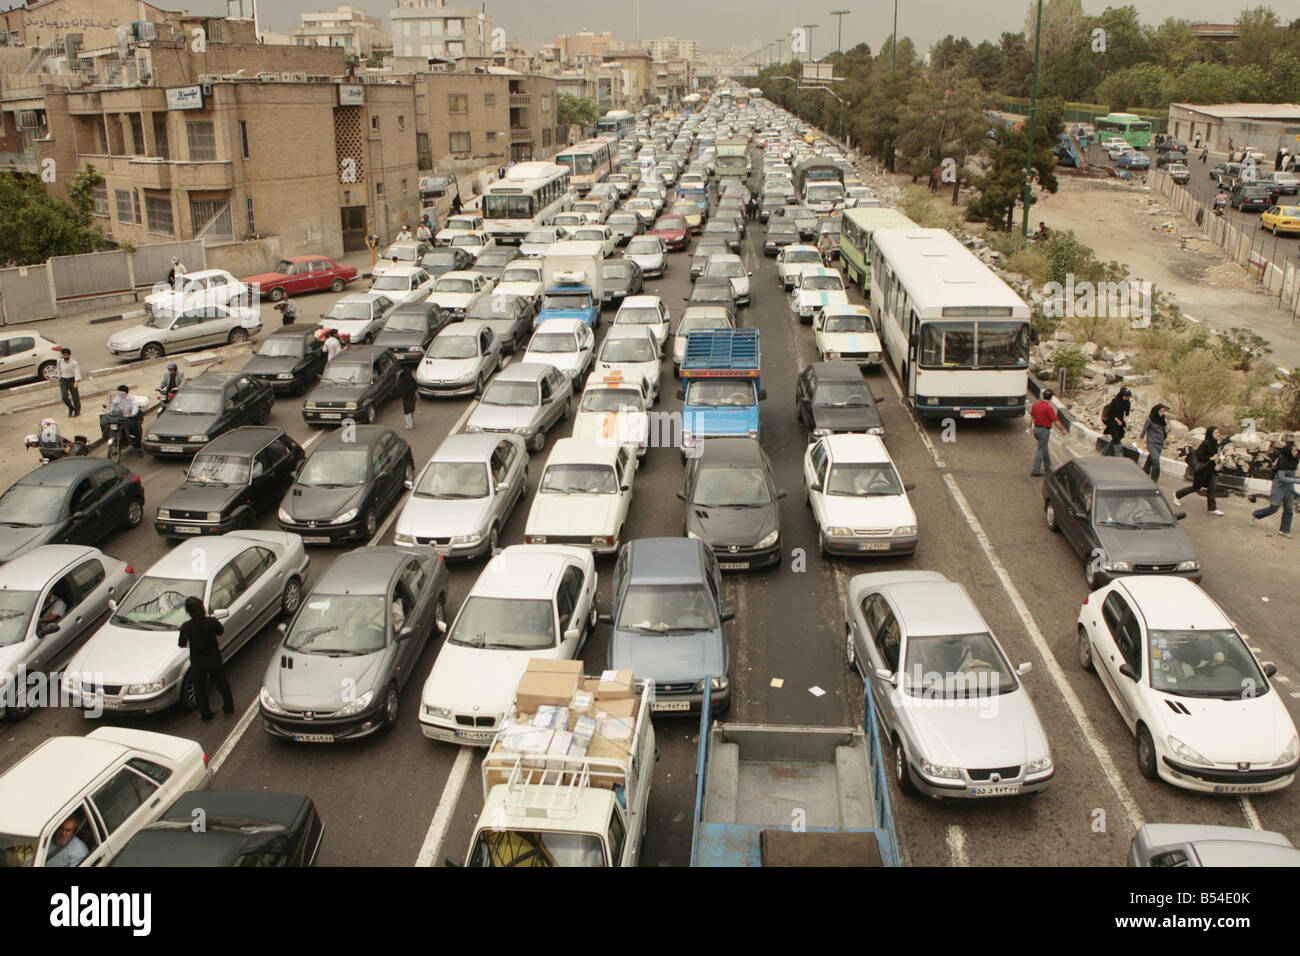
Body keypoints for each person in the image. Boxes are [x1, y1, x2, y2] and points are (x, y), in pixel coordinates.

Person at [178, 595, 232, 720]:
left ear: (188, 612)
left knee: (200, 688)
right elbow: (221, 631)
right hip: (213, 658)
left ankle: (205, 713)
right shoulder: (211, 622)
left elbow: (181, 644)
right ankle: (228, 707)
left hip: (197, 662)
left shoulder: (186, 626)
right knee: (222, 683)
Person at [1251, 438, 1298, 538]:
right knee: (1274, 508)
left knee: (1289, 509)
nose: (1296, 452)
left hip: (1289, 488)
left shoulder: (1294, 460)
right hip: (1279, 487)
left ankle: (1284, 530)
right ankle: (1256, 514)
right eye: (1294, 450)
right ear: (1288, 452)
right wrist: (1297, 481)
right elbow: (1281, 478)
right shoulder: (1282, 462)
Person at [1175, 426, 1225, 515]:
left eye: (1218, 432)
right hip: (1202, 470)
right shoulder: (1206, 443)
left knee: (1211, 489)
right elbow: (1198, 455)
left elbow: (1214, 456)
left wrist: (1217, 462)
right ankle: (1177, 495)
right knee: (1196, 487)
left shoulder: (1215, 443)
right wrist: (1210, 458)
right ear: (1210, 434)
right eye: (1215, 433)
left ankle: (1212, 508)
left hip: (1211, 470)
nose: (1218, 434)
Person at [1029, 388, 1063, 476]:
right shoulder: (1049, 408)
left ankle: (1048, 466)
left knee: (1044, 447)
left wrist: (1029, 427)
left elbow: (1031, 417)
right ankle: (1035, 470)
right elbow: (1055, 421)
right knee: (1040, 450)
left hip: (1036, 429)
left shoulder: (1036, 405)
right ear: (1051, 398)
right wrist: (1062, 430)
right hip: (1044, 431)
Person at [101, 384, 143, 456]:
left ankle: (139, 448)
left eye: (120, 392)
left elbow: (135, 406)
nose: (118, 394)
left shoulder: (131, 398)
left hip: (128, 417)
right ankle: (111, 441)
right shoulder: (118, 398)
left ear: (125, 393)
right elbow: (113, 405)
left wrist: (132, 414)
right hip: (119, 417)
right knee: (105, 423)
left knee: (135, 429)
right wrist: (109, 410)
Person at [1139, 403, 1169, 482]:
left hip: (1159, 443)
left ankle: (1144, 473)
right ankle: (1154, 479)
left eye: (1163, 412)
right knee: (1156, 461)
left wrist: (1165, 437)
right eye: (1161, 411)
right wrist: (1140, 441)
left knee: (1151, 459)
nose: (1162, 413)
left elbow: (1163, 431)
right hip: (1151, 443)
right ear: (1156, 411)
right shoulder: (1150, 420)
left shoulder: (1162, 419)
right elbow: (1144, 430)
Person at [1100, 387, 1132, 457]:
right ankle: (1119, 457)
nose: (1127, 398)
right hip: (1112, 421)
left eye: (1128, 396)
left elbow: (1127, 413)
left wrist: (1126, 420)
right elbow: (1109, 413)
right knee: (1116, 439)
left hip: (1120, 422)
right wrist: (1117, 420)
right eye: (1126, 396)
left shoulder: (1127, 403)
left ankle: (1104, 451)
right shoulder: (1115, 401)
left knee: (1120, 435)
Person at [56, 347, 81, 417]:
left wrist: (76, 382)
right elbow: (58, 369)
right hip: (63, 380)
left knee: (75, 397)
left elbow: (77, 372)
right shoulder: (60, 361)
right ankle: (71, 408)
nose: (65, 356)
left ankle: (77, 411)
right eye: (64, 355)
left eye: (67, 355)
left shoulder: (74, 363)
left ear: (69, 355)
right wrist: (59, 378)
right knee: (64, 396)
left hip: (72, 380)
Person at [396, 364, 417, 430]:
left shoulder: (402, 379)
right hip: (412, 396)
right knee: (411, 410)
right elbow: (415, 386)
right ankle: (412, 422)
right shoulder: (411, 379)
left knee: (407, 411)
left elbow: (399, 388)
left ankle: (409, 424)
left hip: (406, 398)